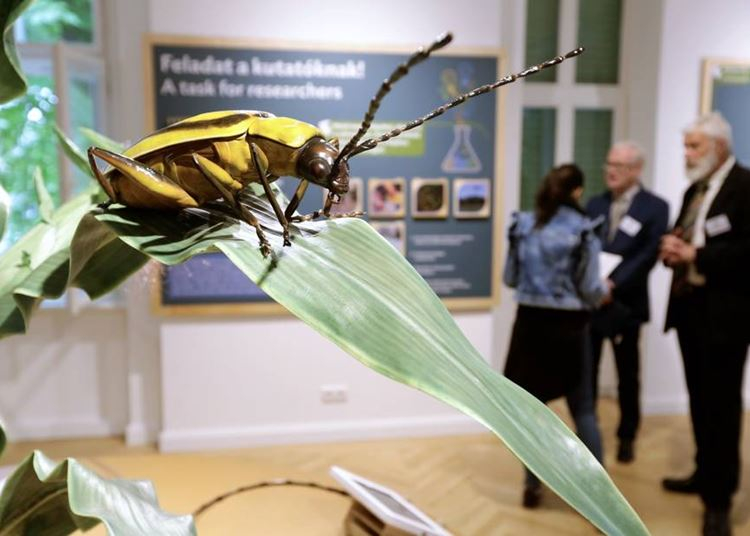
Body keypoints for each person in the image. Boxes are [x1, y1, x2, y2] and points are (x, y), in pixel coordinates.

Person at [660, 112, 750, 536]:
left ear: (718, 148)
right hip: (690, 311)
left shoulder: (745, 188)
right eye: (686, 145)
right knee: (699, 400)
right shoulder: (695, 189)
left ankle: (719, 500)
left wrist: (696, 256)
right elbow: (688, 233)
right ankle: (703, 472)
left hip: (726, 318)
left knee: (722, 407)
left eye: (693, 146)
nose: (687, 154)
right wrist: (672, 246)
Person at [503, 163, 607, 508]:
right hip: (569, 328)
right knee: (584, 410)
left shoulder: (524, 225)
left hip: (529, 325)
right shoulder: (583, 230)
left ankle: (532, 486)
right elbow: (590, 287)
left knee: (533, 412)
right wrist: (600, 292)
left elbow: (510, 278)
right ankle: (599, 496)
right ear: (577, 191)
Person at [585, 141, 669, 463]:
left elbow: (647, 256)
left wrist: (613, 284)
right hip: (593, 304)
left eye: (619, 166)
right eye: (609, 164)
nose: (611, 171)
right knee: (587, 373)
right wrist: (593, 284)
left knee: (627, 375)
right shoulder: (595, 204)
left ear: (636, 170)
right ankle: (588, 433)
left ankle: (627, 435)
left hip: (626, 306)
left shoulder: (654, 207)